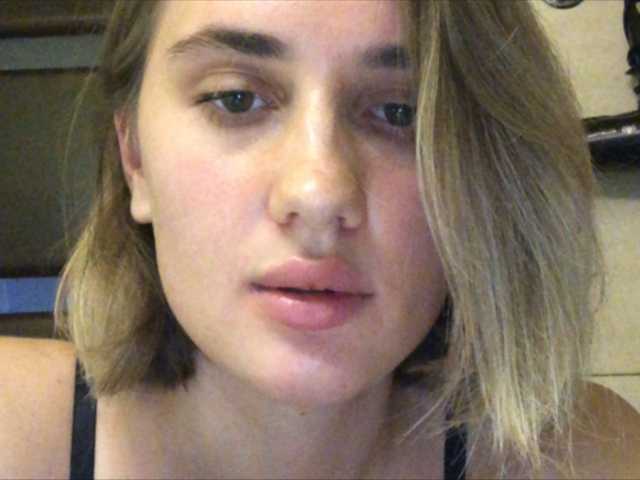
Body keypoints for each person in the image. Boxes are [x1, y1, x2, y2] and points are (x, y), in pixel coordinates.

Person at [1, 1, 639, 478]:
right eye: (236, 99)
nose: (318, 192)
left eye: (401, 112)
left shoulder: (589, 459)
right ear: (135, 158)